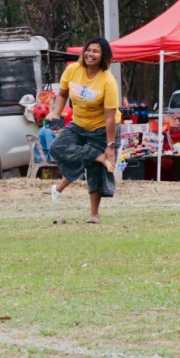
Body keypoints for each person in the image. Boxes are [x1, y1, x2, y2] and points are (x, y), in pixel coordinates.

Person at [49, 37, 121, 224]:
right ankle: (99, 157)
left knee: (95, 171)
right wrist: (56, 114)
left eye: (96, 51)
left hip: (102, 128)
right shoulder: (73, 70)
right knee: (57, 147)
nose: (90, 54)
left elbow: (110, 117)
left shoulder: (108, 81)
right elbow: (63, 93)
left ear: (103, 56)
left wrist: (110, 145)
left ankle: (94, 215)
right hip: (78, 124)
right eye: (88, 50)